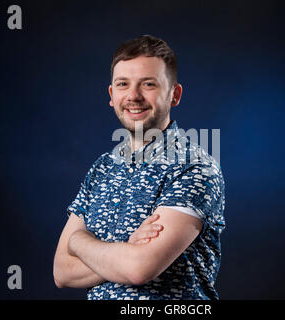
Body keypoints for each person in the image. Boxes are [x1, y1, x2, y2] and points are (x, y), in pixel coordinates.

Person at [53, 35, 225, 300]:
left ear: (174, 95)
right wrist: (125, 248)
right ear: (112, 95)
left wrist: (78, 241)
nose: (133, 96)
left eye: (148, 84)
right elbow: (62, 271)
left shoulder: (194, 167)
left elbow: (138, 268)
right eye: (123, 84)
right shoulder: (102, 169)